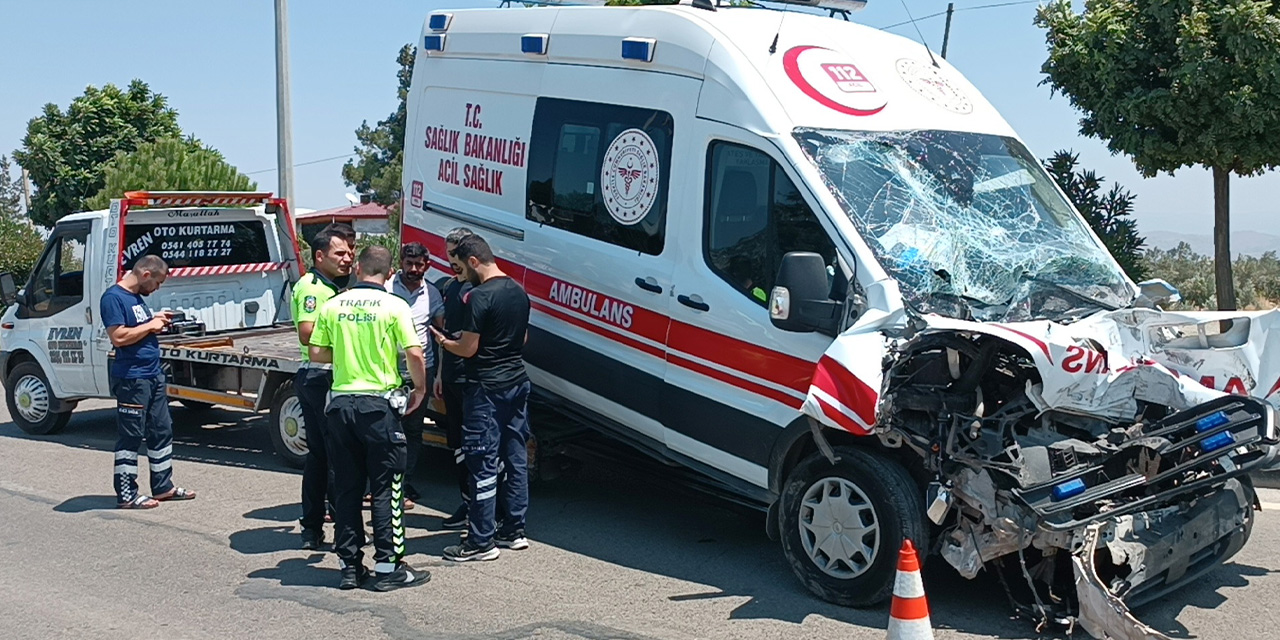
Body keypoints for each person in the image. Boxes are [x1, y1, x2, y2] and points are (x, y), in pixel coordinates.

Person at [309, 246, 430, 591]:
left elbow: (316, 352)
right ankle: (388, 567)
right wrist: (419, 391)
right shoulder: (395, 305)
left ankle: (349, 566)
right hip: (377, 408)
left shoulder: (334, 305)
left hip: (341, 406)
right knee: (386, 489)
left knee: (347, 488)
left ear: (358, 268)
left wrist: (347, 352)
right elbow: (414, 353)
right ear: (389, 274)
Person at [431, 234, 531, 561]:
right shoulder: (518, 290)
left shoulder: (479, 296)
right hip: (517, 381)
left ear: (474, 262)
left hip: (485, 388)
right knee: (514, 455)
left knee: (481, 461)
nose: (459, 273)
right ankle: (514, 530)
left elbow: (468, 348)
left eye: (460, 266)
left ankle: (480, 540)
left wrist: (444, 341)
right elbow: (523, 337)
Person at [101, 255, 197, 509]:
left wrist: (154, 319)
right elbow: (119, 337)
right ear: (145, 275)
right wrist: (150, 325)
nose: (158, 288)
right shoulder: (113, 298)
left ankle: (163, 487)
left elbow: (138, 326)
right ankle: (127, 494)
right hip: (132, 379)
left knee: (161, 430)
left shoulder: (137, 300)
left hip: (153, 375)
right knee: (131, 436)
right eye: (158, 282)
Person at [291, 227, 354, 549]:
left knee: (323, 456)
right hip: (320, 376)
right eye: (339, 254)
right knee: (332, 456)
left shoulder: (335, 285)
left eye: (349, 252)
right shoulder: (312, 288)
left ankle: (313, 528)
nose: (348, 258)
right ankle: (333, 528)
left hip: (325, 375)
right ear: (319, 256)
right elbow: (307, 332)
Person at [384, 242, 444, 510]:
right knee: (385, 429)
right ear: (401, 262)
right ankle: (381, 485)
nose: (414, 269)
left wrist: (439, 373)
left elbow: (442, 334)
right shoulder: (385, 289)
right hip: (387, 369)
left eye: (419, 265)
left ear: (427, 265)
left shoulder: (432, 294)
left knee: (413, 430)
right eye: (409, 263)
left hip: (422, 369)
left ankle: (405, 484)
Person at [434, 227, 476, 530]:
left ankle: (484, 508)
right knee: (457, 446)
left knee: (477, 447)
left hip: (472, 380)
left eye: (457, 253)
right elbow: (444, 334)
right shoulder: (447, 287)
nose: (452, 260)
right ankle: (467, 502)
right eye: (449, 253)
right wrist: (437, 374)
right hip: (448, 376)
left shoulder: (480, 289)